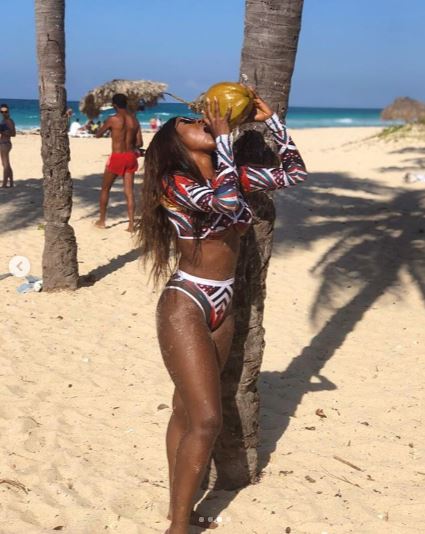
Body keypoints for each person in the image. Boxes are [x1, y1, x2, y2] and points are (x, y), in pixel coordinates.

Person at [136, 93, 307, 534]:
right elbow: (227, 204)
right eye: (190, 123)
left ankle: (178, 509)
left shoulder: (231, 174)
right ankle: (178, 529)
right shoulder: (173, 182)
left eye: (202, 120)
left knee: (185, 411)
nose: (202, 122)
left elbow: (295, 172)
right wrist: (227, 140)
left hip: (223, 303)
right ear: (174, 142)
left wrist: (272, 123)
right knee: (208, 419)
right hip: (187, 302)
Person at [94, 94, 143, 232]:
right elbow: (140, 143)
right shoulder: (134, 120)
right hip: (130, 157)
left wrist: (110, 129)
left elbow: (98, 134)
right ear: (126, 104)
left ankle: (102, 221)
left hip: (117, 157)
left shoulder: (113, 119)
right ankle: (131, 225)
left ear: (114, 104)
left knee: (105, 189)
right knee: (129, 192)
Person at [0, 104, 16, 188]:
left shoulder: (9, 121)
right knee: (6, 164)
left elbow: (13, 134)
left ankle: (4, 183)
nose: (3, 113)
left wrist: (3, 132)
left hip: (6, 143)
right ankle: (11, 182)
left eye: (5, 111)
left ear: (8, 111)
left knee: (5, 164)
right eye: (2, 111)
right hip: (2, 143)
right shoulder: (3, 120)